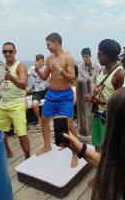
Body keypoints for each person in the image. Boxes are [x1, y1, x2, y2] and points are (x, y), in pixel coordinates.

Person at [35, 32, 78, 168]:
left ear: (56, 42)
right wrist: (37, 71)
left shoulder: (68, 58)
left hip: (65, 95)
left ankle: (76, 152)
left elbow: (72, 79)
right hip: (51, 95)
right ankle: (47, 146)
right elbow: (44, 77)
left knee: (69, 125)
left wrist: (58, 70)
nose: (47, 47)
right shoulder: (49, 58)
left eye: (48, 44)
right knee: (44, 120)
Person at [84, 39, 125, 151]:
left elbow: (121, 101)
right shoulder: (102, 70)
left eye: (99, 54)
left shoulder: (120, 73)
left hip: (109, 117)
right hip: (98, 114)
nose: (97, 56)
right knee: (96, 144)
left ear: (109, 56)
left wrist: (100, 102)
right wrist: (92, 96)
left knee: (108, 148)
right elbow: (101, 89)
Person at [27, 54, 48, 126]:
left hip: (46, 90)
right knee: (34, 104)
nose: (40, 63)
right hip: (36, 92)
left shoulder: (46, 68)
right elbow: (25, 77)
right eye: (38, 61)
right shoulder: (32, 68)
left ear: (44, 61)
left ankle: (46, 118)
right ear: (36, 61)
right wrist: (26, 86)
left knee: (52, 101)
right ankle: (39, 120)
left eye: (41, 61)